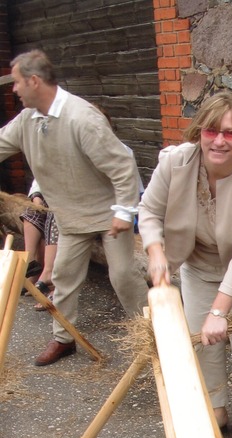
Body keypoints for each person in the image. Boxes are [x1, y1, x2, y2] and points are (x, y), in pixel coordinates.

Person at [138, 91, 232, 438]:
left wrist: (222, 311)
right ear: (199, 131)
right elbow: (149, 211)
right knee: (203, 339)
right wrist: (156, 253)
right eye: (212, 130)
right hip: (199, 261)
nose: (219, 140)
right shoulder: (175, 163)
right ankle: (215, 407)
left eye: (230, 134)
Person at [0, 49, 148, 365]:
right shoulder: (27, 120)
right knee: (64, 276)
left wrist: (124, 212)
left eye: (16, 83)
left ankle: (152, 335)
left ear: (34, 81)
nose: (13, 89)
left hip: (108, 215)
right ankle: (63, 338)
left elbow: (122, 166)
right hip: (70, 217)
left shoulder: (82, 118)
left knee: (123, 275)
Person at [19, 178, 58, 308]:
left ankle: (50, 276)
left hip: (76, 201)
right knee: (31, 212)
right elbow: (39, 177)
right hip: (55, 194)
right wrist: (36, 195)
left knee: (54, 216)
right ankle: (31, 267)